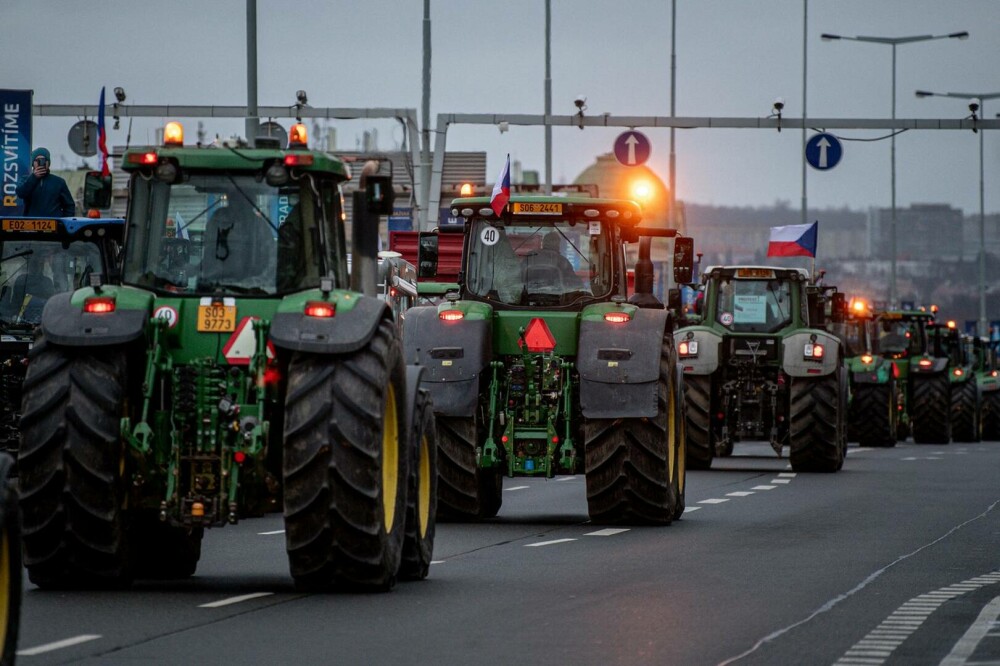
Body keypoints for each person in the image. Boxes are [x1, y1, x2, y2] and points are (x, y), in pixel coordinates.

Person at [15, 148, 75, 217]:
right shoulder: (25, 179)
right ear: (32, 163)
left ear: (48, 163)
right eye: (37, 160)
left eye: (44, 160)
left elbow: (69, 205)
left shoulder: (59, 182)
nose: (41, 163)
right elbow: (20, 193)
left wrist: (63, 223)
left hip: (53, 225)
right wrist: (34, 178)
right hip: (31, 225)